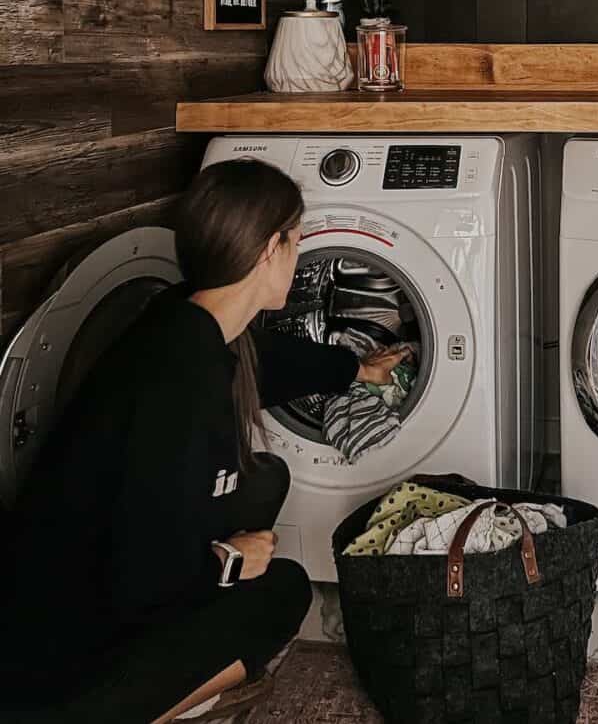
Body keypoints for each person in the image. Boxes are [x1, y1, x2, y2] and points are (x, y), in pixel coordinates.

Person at [0, 159, 409, 723]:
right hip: (61, 655)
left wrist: (358, 369)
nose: (297, 255)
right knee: (284, 591)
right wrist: (228, 562)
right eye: (297, 241)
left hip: (71, 586)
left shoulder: (187, 320)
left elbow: (274, 363)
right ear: (270, 250)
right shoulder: (180, 389)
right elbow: (136, 576)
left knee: (266, 478)